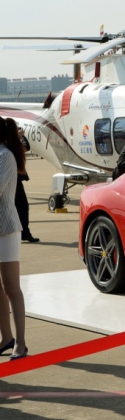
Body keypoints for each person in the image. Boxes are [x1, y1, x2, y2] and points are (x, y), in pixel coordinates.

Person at [0, 116, 28, 360]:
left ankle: (20, 343)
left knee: (11, 287)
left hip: (6, 230)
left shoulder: (5, 156)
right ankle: (6, 338)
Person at [15, 127, 38, 243]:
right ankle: (24, 233)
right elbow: (26, 146)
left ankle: (24, 233)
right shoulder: (11, 144)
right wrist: (20, 136)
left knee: (21, 207)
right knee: (22, 207)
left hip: (14, 180)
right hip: (14, 180)